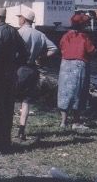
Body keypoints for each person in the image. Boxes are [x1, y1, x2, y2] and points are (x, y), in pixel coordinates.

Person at [0, 7, 28, 152]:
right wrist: (14, 64)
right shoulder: (13, 31)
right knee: (8, 108)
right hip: (11, 75)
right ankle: (6, 140)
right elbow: (24, 52)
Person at [16, 8, 59, 140]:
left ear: (23, 19)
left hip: (19, 68)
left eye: (19, 17)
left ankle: (8, 128)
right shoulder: (39, 34)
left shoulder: (18, 33)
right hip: (32, 69)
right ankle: (22, 129)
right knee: (26, 101)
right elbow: (54, 48)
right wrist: (41, 57)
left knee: (11, 98)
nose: (18, 19)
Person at [57, 13, 96, 129]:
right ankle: (76, 122)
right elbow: (91, 51)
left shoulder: (65, 36)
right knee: (79, 93)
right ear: (83, 25)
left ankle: (63, 122)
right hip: (79, 66)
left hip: (65, 65)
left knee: (64, 92)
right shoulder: (84, 37)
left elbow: (61, 47)